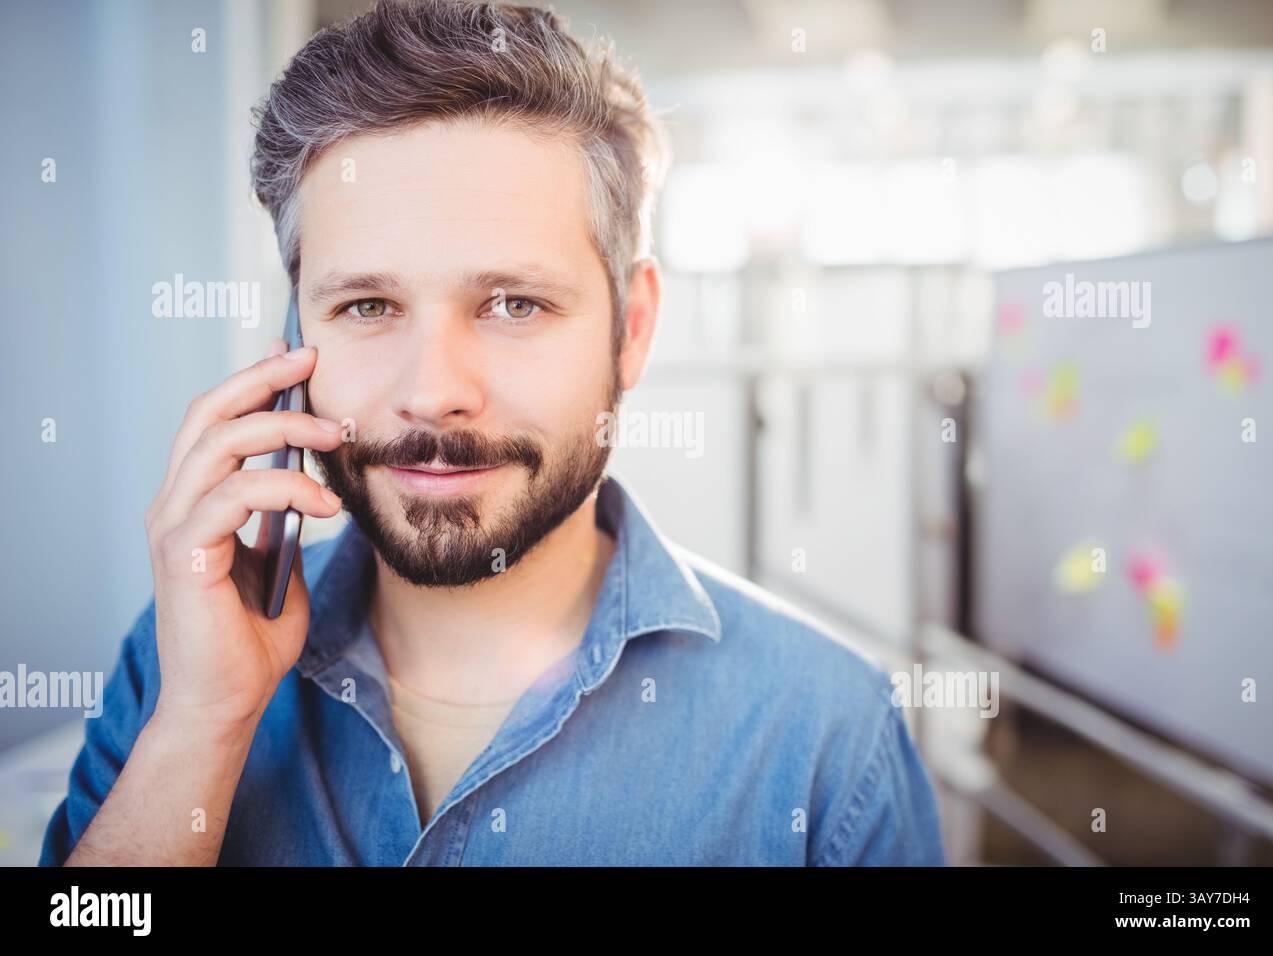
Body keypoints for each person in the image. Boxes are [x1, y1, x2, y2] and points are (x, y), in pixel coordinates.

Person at [40, 0, 945, 866]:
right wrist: (204, 722)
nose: (433, 394)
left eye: (513, 304)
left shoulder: (827, 738)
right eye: (366, 305)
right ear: (292, 342)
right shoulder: (178, 668)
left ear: (631, 330)